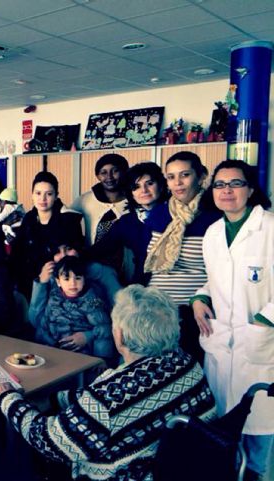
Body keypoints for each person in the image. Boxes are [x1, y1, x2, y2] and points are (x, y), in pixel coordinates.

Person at [0, 285, 216, 481]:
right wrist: (53, 398)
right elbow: (106, 402)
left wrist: (8, 399)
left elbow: (48, 439)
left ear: (119, 336)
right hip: (188, 470)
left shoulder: (107, 399)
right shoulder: (187, 363)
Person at [192, 160, 273, 480]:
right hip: (221, 346)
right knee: (225, 437)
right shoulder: (212, 232)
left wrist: (264, 321)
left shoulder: (269, 228)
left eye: (235, 184)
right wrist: (199, 298)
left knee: (259, 441)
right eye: (220, 185)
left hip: (259, 349)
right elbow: (217, 281)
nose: (227, 191)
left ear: (251, 189)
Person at [144, 151, 220, 362]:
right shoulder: (159, 213)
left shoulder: (214, 215)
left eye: (184, 175)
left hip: (192, 307)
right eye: (171, 177)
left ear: (201, 175)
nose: (177, 183)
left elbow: (220, 272)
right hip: (155, 305)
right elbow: (145, 262)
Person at [87, 162, 168, 285]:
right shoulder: (127, 222)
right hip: (143, 285)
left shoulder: (178, 214)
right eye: (136, 187)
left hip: (178, 283)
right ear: (131, 193)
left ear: (161, 186)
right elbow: (100, 250)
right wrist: (72, 256)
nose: (144, 190)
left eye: (150, 183)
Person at [10, 171, 83, 300]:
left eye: (49, 194)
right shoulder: (28, 219)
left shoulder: (69, 219)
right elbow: (18, 253)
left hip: (60, 280)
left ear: (56, 196)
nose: (43, 199)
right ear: (32, 195)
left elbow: (75, 255)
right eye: (38, 193)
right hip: (30, 280)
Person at [28, 255, 114, 360]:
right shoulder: (53, 296)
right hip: (49, 350)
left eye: (78, 278)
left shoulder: (92, 302)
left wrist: (101, 359)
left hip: (80, 354)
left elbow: (104, 329)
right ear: (58, 281)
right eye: (66, 278)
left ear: (84, 279)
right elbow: (39, 321)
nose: (73, 283)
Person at [71, 153, 129, 246]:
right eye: (103, 172)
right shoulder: (86, 199)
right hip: (92, 258)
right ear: (97, 176)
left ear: (124, 172)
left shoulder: (135, 200)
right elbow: (66, 218)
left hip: (127, 259)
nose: (109, 177)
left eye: (115, 171)